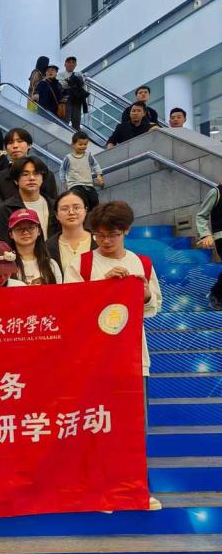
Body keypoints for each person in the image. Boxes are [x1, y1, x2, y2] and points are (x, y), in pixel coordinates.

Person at [63, 201, 163, 513]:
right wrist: (103, 287)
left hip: (133, 357)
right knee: (97, 426)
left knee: (133, 428)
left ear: (126, 232)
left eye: (113, 235)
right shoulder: (81, 264)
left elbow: (154, 307)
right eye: (100, 235)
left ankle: (137, 490)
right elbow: (70, 308)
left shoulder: (141, 263)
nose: (105, 241)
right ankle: (101, 489)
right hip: (94, 359)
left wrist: (143, 292)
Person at [0, 156, 59, 241]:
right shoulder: (6, 209)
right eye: (25, 174)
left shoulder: (55, 206)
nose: (32, 178)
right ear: (16, 180)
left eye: (36, 173)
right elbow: (5, 243)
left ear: (42, 178)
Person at [0, 128, 58, 201]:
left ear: (29, 145)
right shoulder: (0, 178)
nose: (15, 146)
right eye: (10, 142)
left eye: (20, 141)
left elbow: (53, 202)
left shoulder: (45, 174)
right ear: (6, 148)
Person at [7, 208, 61, 285]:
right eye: (19, 228)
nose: (25, 232)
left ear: (39, 231)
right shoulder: (5, 265)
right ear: (11, 234)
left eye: (31, 227)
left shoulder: (51, 264)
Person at [47, 189, 96, 272]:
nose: (71, 212)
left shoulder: (99, 240)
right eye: (64, 209)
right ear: (56, 215)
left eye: (76, 207)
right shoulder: (48, 246)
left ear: (85, 210)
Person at [58, 131, 104, 209]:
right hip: (75, 185)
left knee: (94, 201)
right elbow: (62, 170)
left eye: (85, 144)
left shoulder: (88, 156)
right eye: (80, 144)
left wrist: (99, 175)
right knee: (82, 202)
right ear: (73, 145)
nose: (83, 146)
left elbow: (95, 165)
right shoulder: (68, 158)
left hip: (89, 185)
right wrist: (64, 181)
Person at [195, 182, 222, 309]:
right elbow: (201, 215)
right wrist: (205, 234)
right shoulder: (216, 192)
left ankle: (216, 292)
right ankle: (216, 294)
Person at [59, 56, 88, 130]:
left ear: (75, 65)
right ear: (65, 64)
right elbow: (61, 85)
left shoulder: (79, 74)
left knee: (77, 121)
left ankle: (77, 135)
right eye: (69, 62)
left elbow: (82, 86)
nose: (71, 64)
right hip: (66, 100)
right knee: (65, 120)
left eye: (73, 62)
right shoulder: (60, 74)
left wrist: (72, 82)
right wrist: (73, 82)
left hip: (77, 100)